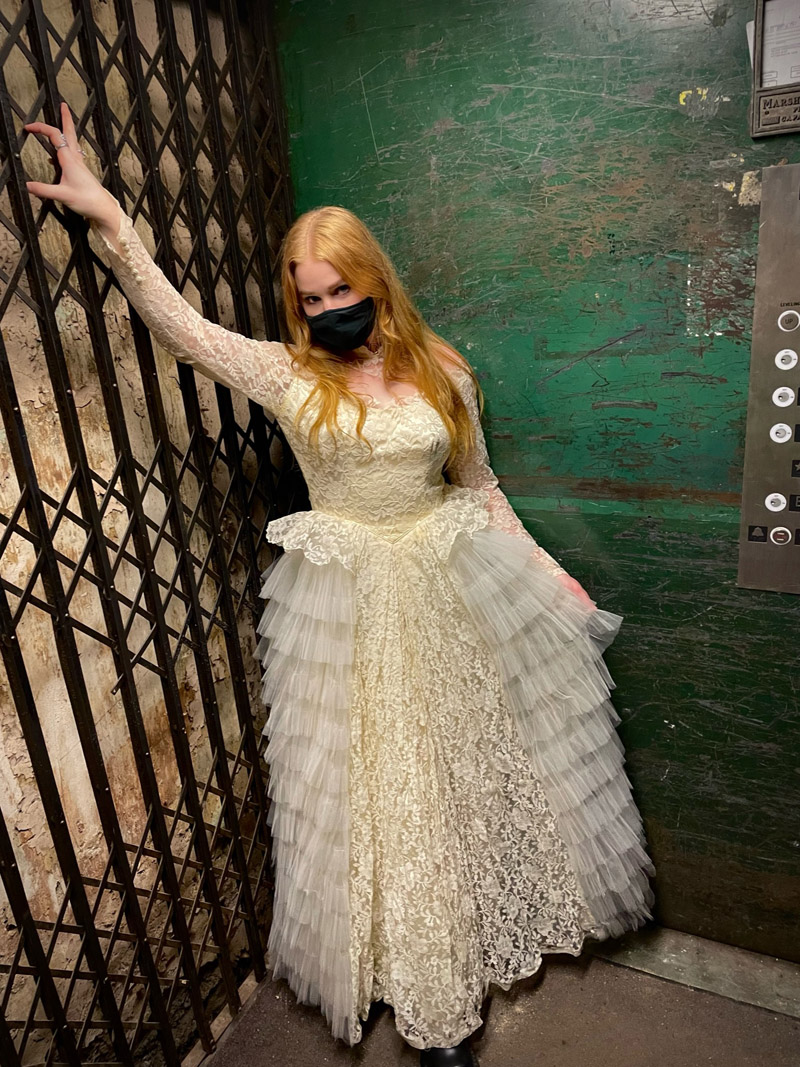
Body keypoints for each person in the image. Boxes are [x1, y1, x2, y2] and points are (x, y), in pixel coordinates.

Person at [23, 102, 656, 1067]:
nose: (324, 312)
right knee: (385, 789)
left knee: (464, 772)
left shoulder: (445, 371)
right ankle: (432, 994)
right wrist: (111, 221)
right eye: (308, 298)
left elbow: (479, 487)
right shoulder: (286, 375)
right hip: (352, 604)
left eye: (337, 292)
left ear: (374, 281)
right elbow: (180, 325)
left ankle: (473, 934)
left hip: (453, 582)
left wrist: (548, 572)